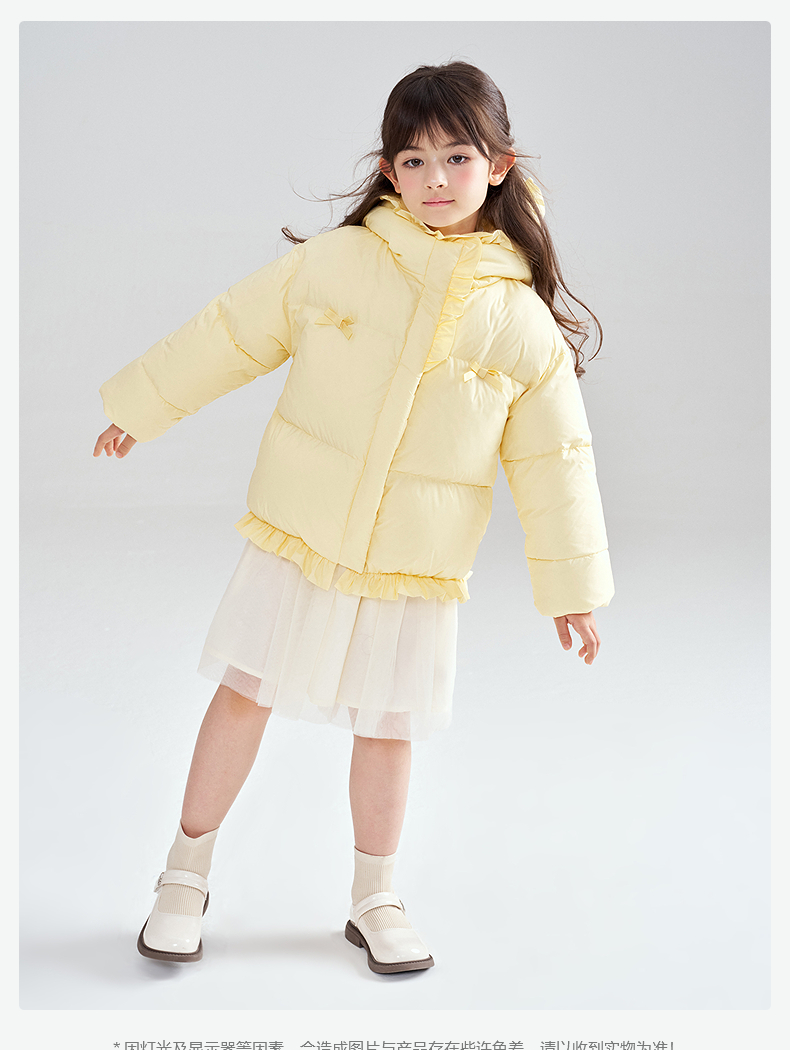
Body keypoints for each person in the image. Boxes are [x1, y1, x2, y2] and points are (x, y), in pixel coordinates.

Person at [93, 60, 614, 976]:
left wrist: (572, 587)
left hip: (416, 559)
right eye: (414, 161)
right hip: (302, 532)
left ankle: (376, 895)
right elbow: (231, 331)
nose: (435, 179)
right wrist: (143, 404)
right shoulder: (337, 263)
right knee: (244, 690)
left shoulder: (519, 323)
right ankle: (184, 874)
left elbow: (555, 461)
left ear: (499, 164)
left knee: (390, 725)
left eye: (457, 157)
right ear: (386, 170)